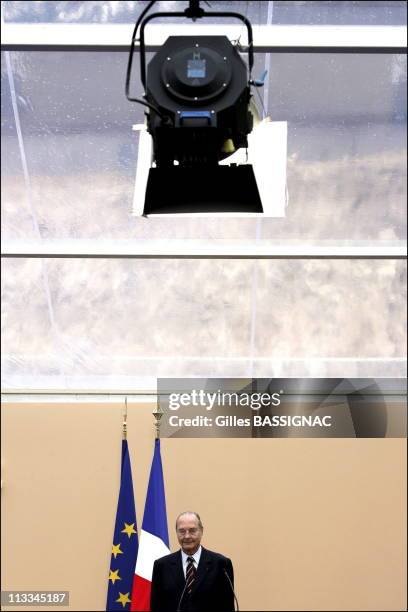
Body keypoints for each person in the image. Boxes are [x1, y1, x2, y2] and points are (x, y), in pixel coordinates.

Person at [150, 511, 235, 612]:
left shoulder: (221, 564)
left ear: (201, 531)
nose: (187, 536)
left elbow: (227, 606)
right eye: (182, 531)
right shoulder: (162, 566)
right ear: (176, 532)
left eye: (192, 530)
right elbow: (156, 607)